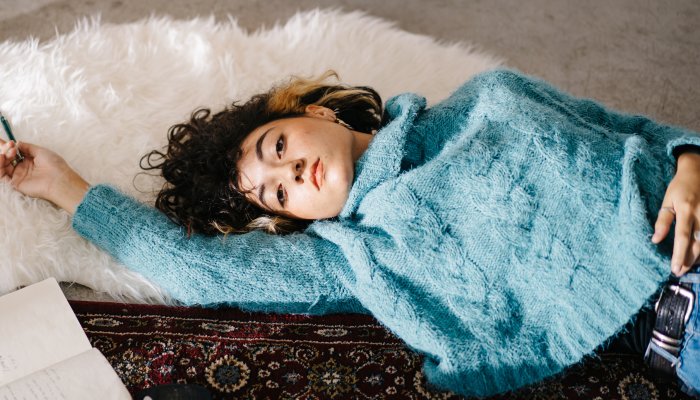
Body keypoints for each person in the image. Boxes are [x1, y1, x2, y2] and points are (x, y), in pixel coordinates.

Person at [1, 69, 699, 398]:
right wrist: (62, 184)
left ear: (317, 112)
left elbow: (633, 129)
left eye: (277, 148)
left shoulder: (491, 95)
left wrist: (690, 160)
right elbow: (194, 268)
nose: (289, 174)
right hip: (680, 308)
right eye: (277, 194)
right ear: (294, 218)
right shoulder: (351, 253)